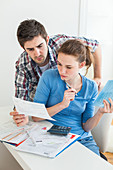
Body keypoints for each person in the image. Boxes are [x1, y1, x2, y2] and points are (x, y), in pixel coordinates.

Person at [11, 40, 113, 156]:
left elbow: (86, 127)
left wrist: (100, 113)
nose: (62, 71)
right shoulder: (49, 76)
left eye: (68, 67)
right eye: (59, 64)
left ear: (81, 65)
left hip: (81, 139)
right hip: (52, 135)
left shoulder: (91, 87)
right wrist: (62, 105)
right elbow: (36, 117)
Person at [14, 19, 102, 103]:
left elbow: (96, 46)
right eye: (30, 49)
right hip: (42, 110)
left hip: (69, 103)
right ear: (23, 48)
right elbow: (21, 99)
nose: (37, 54)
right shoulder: (22, 64)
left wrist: (97, 76)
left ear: (47, 40)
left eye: (40, 46)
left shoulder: (61, 43)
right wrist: (20, 113)